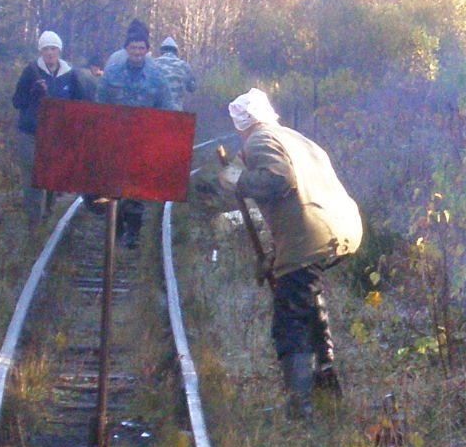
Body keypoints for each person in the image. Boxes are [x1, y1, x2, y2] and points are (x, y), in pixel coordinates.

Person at [225, 89, 362, 417]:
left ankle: (300, 408)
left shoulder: (258, 140)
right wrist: (276, 256)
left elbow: (279, 181)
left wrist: (239, 179)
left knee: (290, 320)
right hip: (342, 227)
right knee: (308, 300)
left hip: (310, 236)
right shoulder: (296, 138)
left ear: (243, 124)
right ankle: (328, 386)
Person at [98, 18, 173, 248]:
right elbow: (100, 103)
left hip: (143, 140)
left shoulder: (158, 77)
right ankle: (116, 225)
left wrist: (159, 137)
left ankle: (133, 233)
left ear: (147, 50)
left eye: (141, 48)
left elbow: (166, 109)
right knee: (114, 185)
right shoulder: (112, 73)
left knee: (137, 188)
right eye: (133, 48)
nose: (137, 52)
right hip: (116, 138)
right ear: (126, 49)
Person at [10, 31, 79, 222]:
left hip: (56, 135)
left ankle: (48, 214)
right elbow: (17, 101)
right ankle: (34, 223)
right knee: (32, 175)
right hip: (30, 133)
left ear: (59, 50)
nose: (49, 53)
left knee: (51, 176)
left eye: (53, 48)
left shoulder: (70, 74)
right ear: (41, 51)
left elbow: (78, 103)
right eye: (46, 49)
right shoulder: (30, 71)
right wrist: (32, 93)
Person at [153, 35, 196, 109]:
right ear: (176, 51)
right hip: (176, 112)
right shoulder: (184, 66)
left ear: (161, 51)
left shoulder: (153, 64)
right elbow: (192, 88)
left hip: (156, 111)